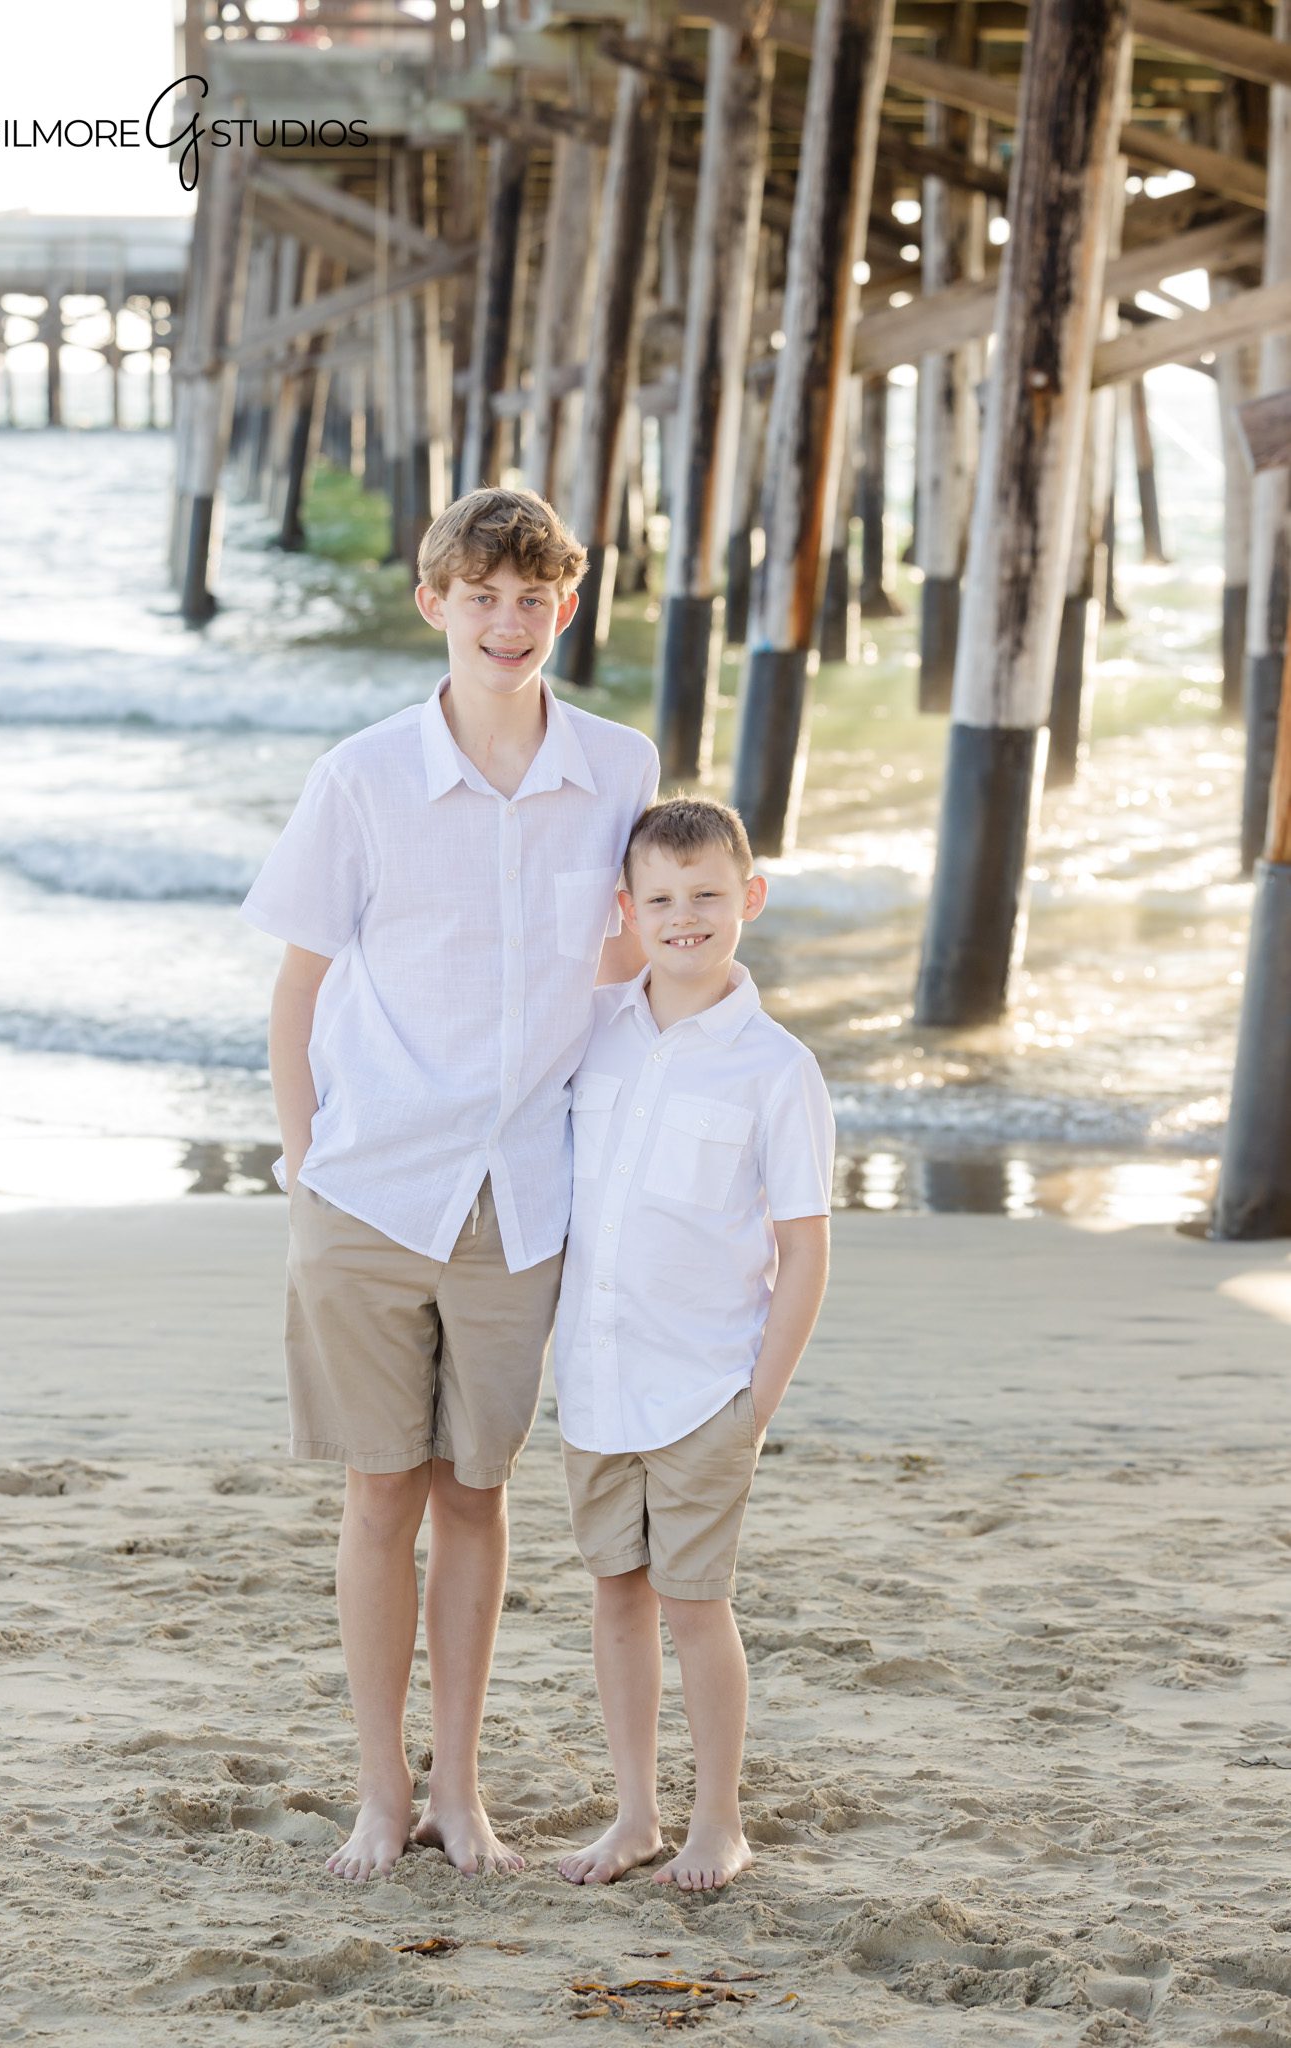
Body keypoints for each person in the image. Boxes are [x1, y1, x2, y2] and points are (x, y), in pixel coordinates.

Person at [239, 486, 658, 1883]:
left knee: (474, 1493)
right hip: (367, 1188)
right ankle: (375, 1792)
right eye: (481, 596)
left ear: (565, 607)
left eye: (532, 598)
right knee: (379, 1493)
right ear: (434, 604)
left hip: (525, 1196)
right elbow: (296, 989)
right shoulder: (360, 777)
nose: (507, 622)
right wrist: (306, 1164)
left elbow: (631, 950)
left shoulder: (615, 766)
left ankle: (458, 1795)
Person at [554, 796, 835, 1892]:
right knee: (616, 1592)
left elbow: (804, 1250)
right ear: (627, 909)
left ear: (748, 900)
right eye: (661, 899)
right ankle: (634, 1813)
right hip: (595, 1379)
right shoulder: (594, 1031)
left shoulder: (775, 1067)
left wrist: (756, 1402)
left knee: (694, 1602)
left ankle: (719, 1817)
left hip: (708, 1384)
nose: (685, 918)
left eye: (708, 895)